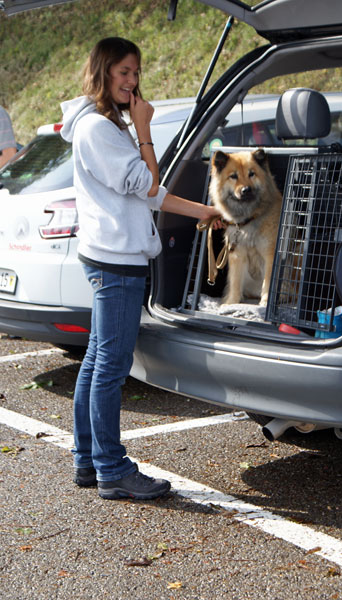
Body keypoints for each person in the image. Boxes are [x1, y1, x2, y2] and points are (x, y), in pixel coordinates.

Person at [60, 37, 221, 501]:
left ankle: (88, 460)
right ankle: (111, 468)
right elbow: (145, 180)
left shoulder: (106, 124)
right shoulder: (98, 129)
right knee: (110, 366)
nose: (132, 82)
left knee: (96, 362)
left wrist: (201, 211)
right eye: (123, 72)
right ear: (103, 72)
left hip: (110, 256)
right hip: (116, 263)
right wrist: (146, 129)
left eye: (135, 73)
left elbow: (149, 193)